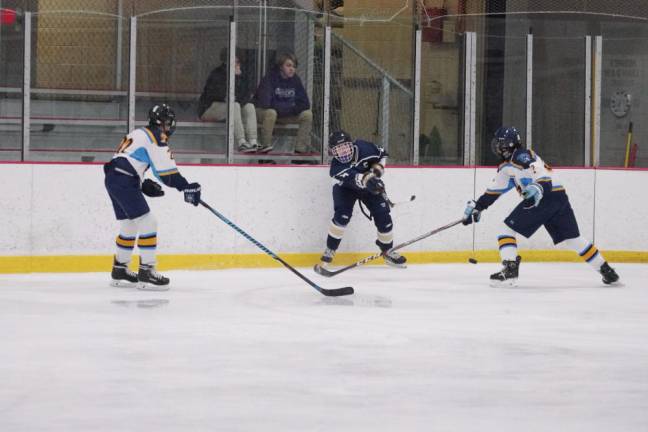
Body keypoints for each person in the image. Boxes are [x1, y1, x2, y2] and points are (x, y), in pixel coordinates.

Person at [462, 126, 620, 286]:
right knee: (573, 239)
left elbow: (541, 174)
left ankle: (510, 271)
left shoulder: (520, 155)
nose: (496, 146)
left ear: (509, 145)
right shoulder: (507, 167)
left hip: (543, 196)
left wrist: (536, 188)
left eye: (499, 143)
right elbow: (494, 191)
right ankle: (606, 270)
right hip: (559, 196)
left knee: (506, 230)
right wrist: (478, 206)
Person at [104, 104, 202, 290]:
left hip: (113, 178)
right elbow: (166, 173)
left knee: (129, 225)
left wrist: (140, 183)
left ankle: (120, 269)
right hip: (124, 180)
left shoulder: (138, 132)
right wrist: (186, 187)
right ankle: (147, 271)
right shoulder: (156, 136)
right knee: (149, 223)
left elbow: (127, 160)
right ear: (164, 123)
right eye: (169, 122)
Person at [314, 130, 407, 274]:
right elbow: (356, 179)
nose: (343, 151)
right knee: (342, 216)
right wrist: (368, 179)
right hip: (345, 188)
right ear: (333, 151)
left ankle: (387, 250)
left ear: (351, 144)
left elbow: (382, 155)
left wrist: (376, 173)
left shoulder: (365, 148)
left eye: (345, 146)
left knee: (384, 216)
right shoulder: (336, 168)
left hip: (367, 185)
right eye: (338, 149)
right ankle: (330, 249)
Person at [198, 49, 258, 153]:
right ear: (226, 61)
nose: (237, 64)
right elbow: (220, 95)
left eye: (238, 62)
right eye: (234, 61)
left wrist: (238, 78)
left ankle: (253, 141)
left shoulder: (241, 75)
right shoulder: (217, 74)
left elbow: (246, 95)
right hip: (210, 108)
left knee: (249, 107)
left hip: (229, 107)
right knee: (233, 106)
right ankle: (241, 141)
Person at [254, 52, 313, 154]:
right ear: (281, 67)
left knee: (307, 114)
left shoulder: (295, 80)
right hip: (264, 112)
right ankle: (264, 149)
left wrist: (289, 109)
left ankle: (300, 150)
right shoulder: (270, 78)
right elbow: (266, 103)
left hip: (284, 113)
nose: (292, 69)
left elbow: (305, 103)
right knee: (271, 113)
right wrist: (289, 107)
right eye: (288, 65)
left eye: (294, 66)